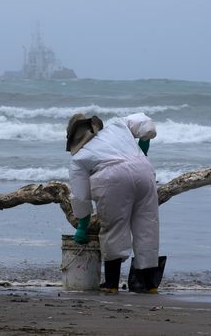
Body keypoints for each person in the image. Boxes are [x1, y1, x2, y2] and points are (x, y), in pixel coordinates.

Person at [66, 112, 163, 293]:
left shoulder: (79, 158)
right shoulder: (118, 126)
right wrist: (143, 148)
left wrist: (83, 224)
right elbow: (145, 124)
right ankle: (149, 284)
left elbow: (80, 195)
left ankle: (111, 284)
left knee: (114, 228)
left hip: (112, 179)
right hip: (144, 171)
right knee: (147, 226)